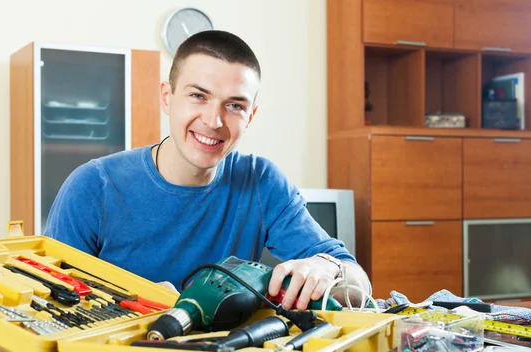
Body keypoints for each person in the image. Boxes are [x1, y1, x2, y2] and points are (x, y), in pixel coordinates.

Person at [44, 30, 371, 311]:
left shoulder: (261, 183)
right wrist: (140, 304)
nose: (214, 122)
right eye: (198, 96)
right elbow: (49, 301)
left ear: (250, 116)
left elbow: (358, 283)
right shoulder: (94, 187)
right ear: (167, 97)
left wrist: (327, 266)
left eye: (234, 105)